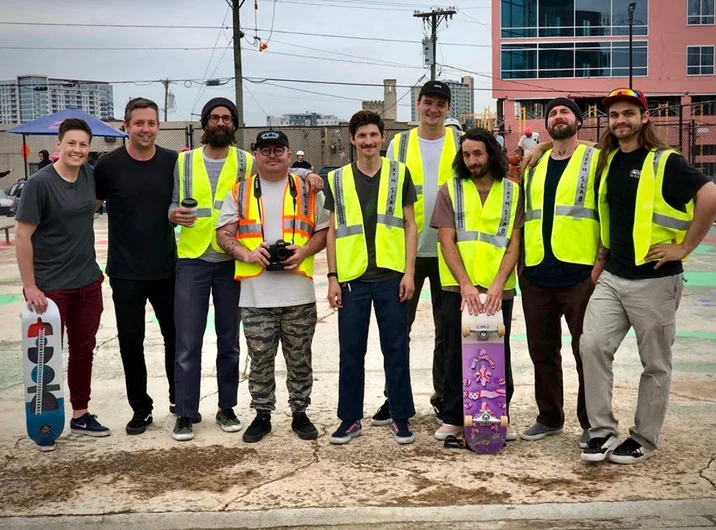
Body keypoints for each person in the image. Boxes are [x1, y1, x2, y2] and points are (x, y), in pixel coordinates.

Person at [580, 88, 716, 464]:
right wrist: (602, 257)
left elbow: (710, 194)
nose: (620, 120)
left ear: (644, 118)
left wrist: (685, 247)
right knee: (591, 346)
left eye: (628, 113)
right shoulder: (608, 161)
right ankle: (602, 431)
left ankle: (644, 438)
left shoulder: (663, 161)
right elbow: (614, 215)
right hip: (613, 275)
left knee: (654, 363)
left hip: (655, 280)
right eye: (614, 115)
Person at [216, 130, 328, 443]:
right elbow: (223, 235)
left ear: (290, 155)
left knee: (300, 358)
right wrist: (249, 254)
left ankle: (300, 412)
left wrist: (304, 251)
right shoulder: (240, 192)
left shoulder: (307, 189)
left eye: (279, 149)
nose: (272, 155)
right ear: (255, 156)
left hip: (298, 292)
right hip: (255, 293)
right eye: (265, 150)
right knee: (260, 360)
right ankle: (262, 414)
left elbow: (323, 231)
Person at [325, 110, 418, 445]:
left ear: (383, 138)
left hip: (391, 277)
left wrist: (409, 272)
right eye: (361, 136)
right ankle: (350, 419)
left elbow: (410, 224)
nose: (368, 141)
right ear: (353, 139)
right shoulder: (337, 179)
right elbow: (333, 232)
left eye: (373, 135)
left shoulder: (398, 173)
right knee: (351, 352)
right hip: (352, 279)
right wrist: (332, 277)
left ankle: (401, 415)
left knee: (396, 348)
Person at [15, 118, 109, 441]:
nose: (77, 150)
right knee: (46, 355)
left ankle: (81, 414)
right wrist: (29, 285)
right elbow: (23, 237)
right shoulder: (39, 184)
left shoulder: (89, 177)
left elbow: (92, 206)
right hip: (51, 287)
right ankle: (46, 419)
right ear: (59, 144)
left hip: (87, 282)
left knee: (83, 350)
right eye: (71, 143)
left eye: (83, 144)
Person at [518, 97, 602, 448]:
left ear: (578, 122)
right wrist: (522, 265)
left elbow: (606, 210)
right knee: (542, 351)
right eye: (552, 113)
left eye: (565, 111)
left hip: (580, 273)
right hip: (537, 272)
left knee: (587, 352)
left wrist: (599, 263)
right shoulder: (534, 165)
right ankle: (550, 417)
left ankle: (591, 422)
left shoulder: (595, 159)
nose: (558, 116)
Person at [431, 127, 522, 441]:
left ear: (491, 154)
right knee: (456, 351)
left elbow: (513, 244)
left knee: (496, 351)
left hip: (499, 287)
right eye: (466, 154)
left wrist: (497, 285)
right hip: (459, 287)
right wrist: (467, 285)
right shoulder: (449, 190)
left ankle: (497, 416)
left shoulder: (512, 191)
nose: (472, 160)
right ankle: (455, 416)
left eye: (478, 154)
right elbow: (447, 243)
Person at [168, 97, 251, 441]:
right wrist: (172, 214)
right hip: (192, 260)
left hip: (231, 261)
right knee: (187, 341)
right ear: (205, 124)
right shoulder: (184, 162)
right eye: (215, 118)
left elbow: (269, 190)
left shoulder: (246, 162)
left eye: (227, 118)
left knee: (229, 341)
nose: (221, 123)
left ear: (234, 125)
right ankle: (185, 412)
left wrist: (308, 180)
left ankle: (227, 407)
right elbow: (173, 201)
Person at [94, 98, 178, 435]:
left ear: (159, 126)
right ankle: (140, 408)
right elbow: (85, 207)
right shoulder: (107, 166)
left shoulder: (173, 162)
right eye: (139, 123)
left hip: (168, 270)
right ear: (126, 127)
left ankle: (180, 399)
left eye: (151, 123)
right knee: (131, 341)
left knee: (177, 337)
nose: (145, 129)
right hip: (125, 272)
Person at [381, 80, 462, 425]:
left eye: (440, 104)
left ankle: (443, 397)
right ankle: (394, 398)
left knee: (447, 332)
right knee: (399, 329)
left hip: (450, 252)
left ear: (447, 108)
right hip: (407, 253)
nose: (433, 109)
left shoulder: (461, 142)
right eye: (428, 102)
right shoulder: (398, 143)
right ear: (418, 104)